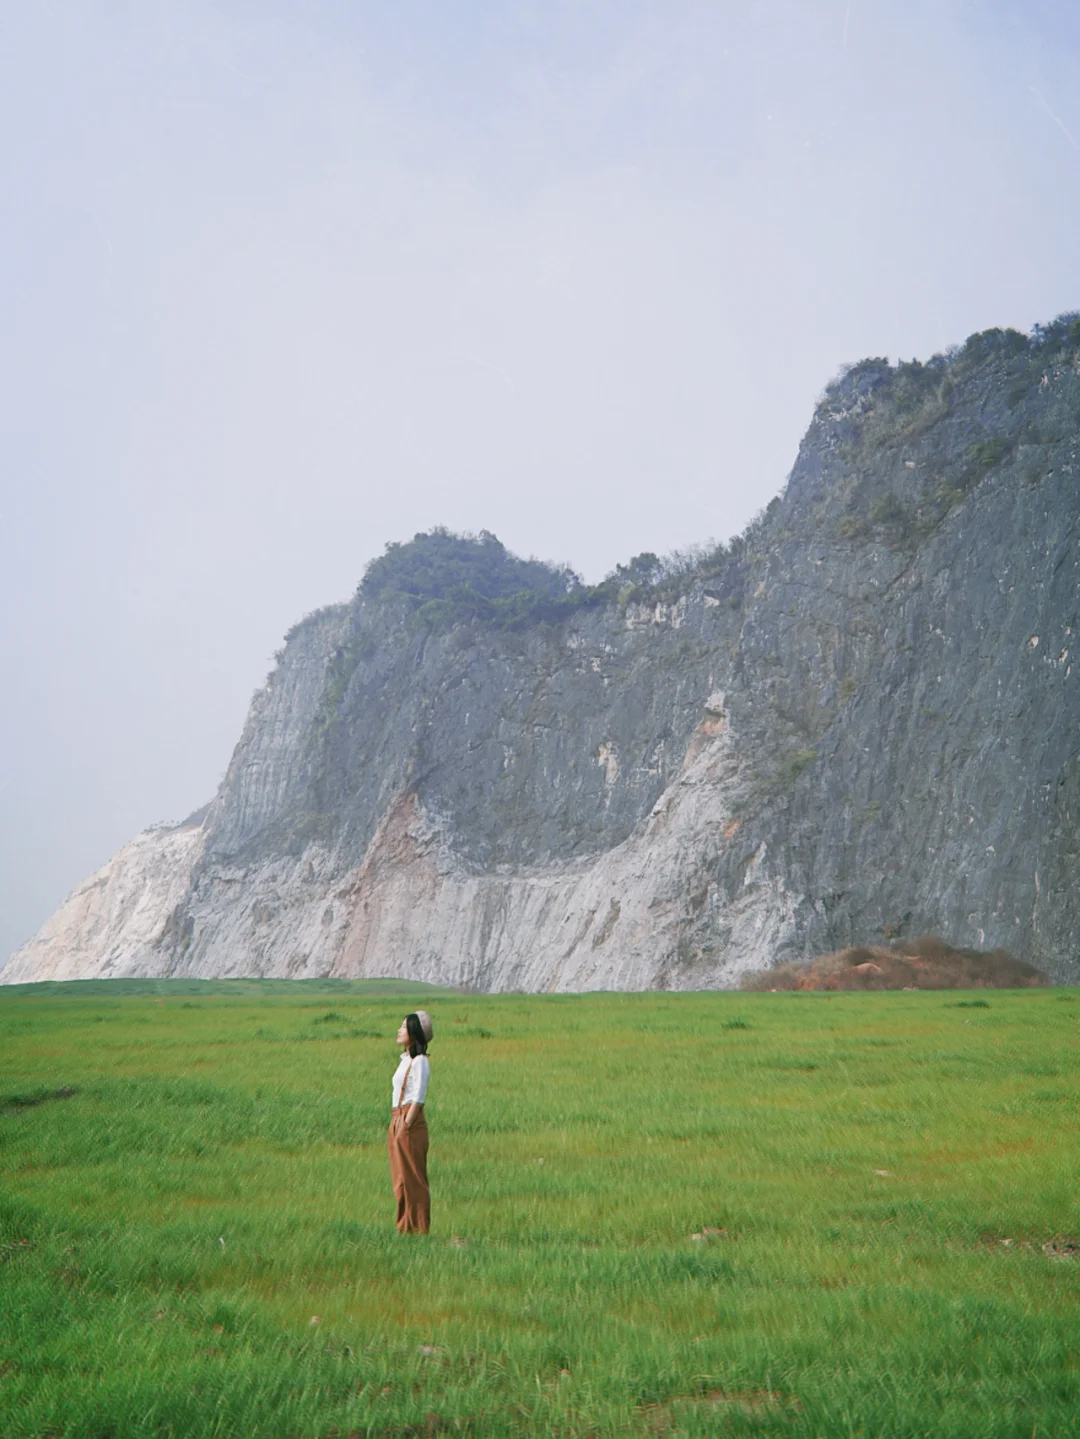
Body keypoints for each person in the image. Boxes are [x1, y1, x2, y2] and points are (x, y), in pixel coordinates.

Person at [387, 1010, 433, 1233]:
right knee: (400, 1180)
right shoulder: (406, 1060)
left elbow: (419, 1098)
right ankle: (405, 1228)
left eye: (404, 1027)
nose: (399, 1030)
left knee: (414, 1180)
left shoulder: (420, 1062)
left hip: (408, 1121)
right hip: (397, 1118)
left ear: (414, 1033)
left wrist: (406, 1125)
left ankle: (419, 1229)